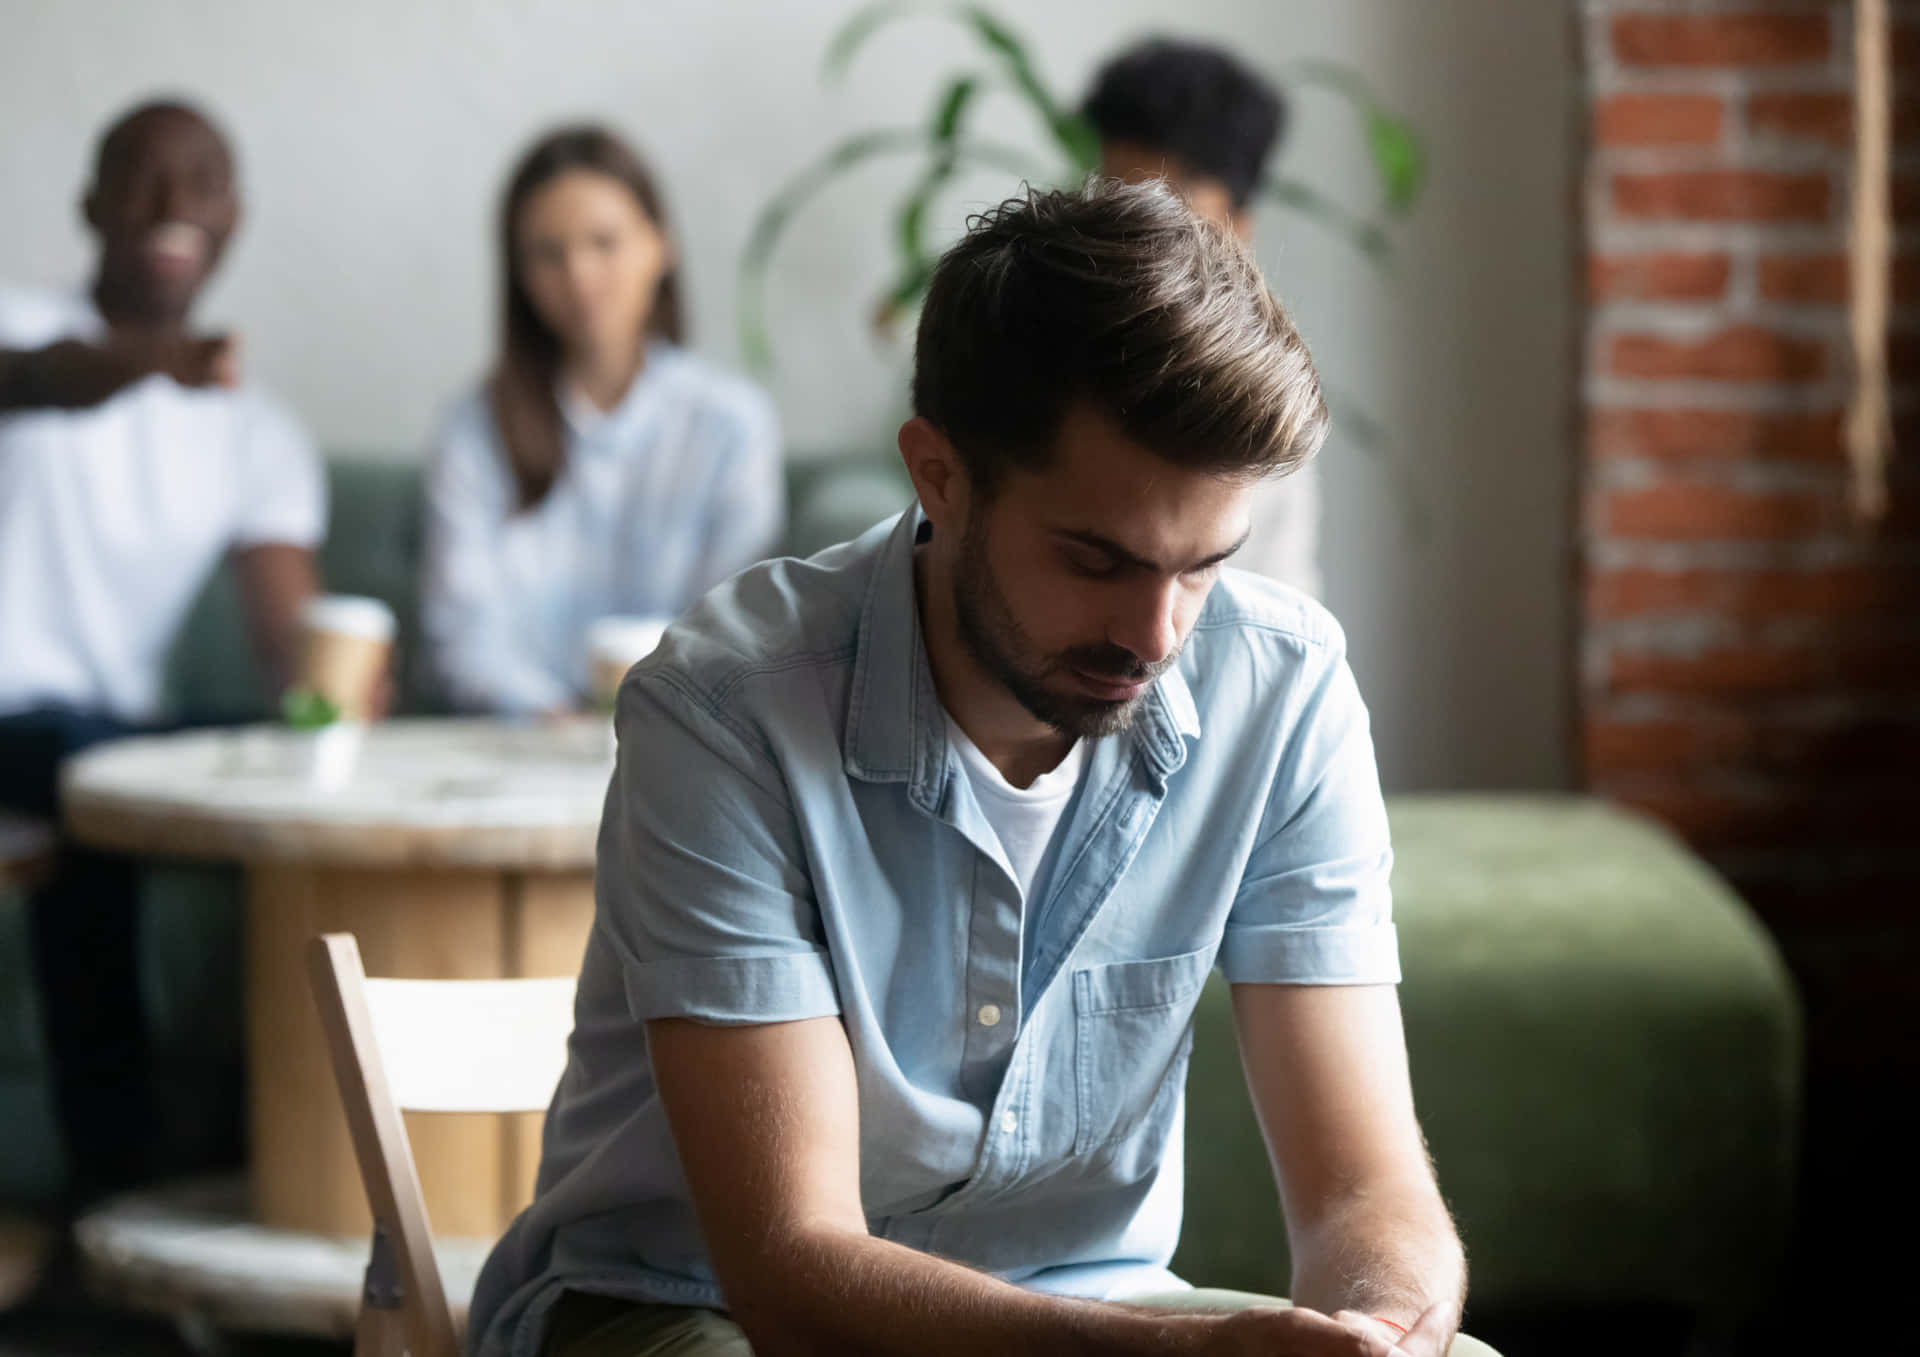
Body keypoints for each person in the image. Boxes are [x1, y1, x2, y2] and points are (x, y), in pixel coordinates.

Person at [469, 181, 1485, 1357]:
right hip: (686, 1306)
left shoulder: (1284, 691)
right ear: (938, 475)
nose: (1157, 636)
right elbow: (793, 1276)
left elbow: (1365, 1192)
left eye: (1203, 566)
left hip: (1099, 1305)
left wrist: (1386, 1327)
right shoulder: (725, 711)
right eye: (1097, 559)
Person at [0, 99, 326, 1199]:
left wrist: (327, 709)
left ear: (235, 215)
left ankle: (289, 1161)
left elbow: (293, 632)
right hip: (14, 722)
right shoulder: (21, 328)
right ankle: (113, 1192)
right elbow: (38, 379)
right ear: (92, 201)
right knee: (93, 790)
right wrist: (159, 362)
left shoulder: (256, 429)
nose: (174, 203)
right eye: (144, 176)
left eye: (204, 180)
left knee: (263, 783)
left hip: (117, 746)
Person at [423, 126, 784, 717]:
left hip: (685, 739)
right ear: (519, 274)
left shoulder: (730, 424)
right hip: (516, 740)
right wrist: (548, 717)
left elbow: (735, 625)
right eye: (548, 253)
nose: (579, 277)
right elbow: (461, 635)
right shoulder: (474, 425)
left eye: (604, 243)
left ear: (659, 244)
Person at [1085, 37, 1323, 600]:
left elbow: (1281, 619)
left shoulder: (1264, 403)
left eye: (1169, 215)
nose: (1134, 243)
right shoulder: (1031, 345)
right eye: (1113, 205)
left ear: (1238, 225)